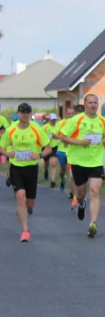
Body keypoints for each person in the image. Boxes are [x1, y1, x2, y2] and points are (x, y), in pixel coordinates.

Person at [59, 94, 105, 238]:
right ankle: (81, 205)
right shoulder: (76, 120)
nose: (93, 105)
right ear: (85, 104)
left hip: (96, 162)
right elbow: (63, 137)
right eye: (90, 102)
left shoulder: (102, 121)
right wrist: (80, 142)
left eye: (95, 102)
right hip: (79, 161)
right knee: (81, 194)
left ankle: (92, 224)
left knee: (94, 191)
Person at [1, 103, 52, 242]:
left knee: (30, 203)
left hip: (31, 168)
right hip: (16, 167)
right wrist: (7, 153)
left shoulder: (36, 129)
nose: (25, 114)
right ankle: (25, 231)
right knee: (20, 196)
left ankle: (26, 209)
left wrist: (40, 155)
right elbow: (1, 146)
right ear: (18, 113)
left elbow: (48, 148)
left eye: (27, 112)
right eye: (22, 112)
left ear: (30, 114)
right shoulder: (11, 130)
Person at [50, 112, 68, 192]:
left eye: (72, 113)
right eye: (69, 113)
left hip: (72, 151)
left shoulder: (77, 122)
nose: (70, 115)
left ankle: (73, 193)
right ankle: (62, 180)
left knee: (72, 174)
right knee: (62, 171)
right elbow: (53, 135)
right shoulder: (61, 123)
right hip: (60, 149)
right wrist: (63, 139)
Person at [42, 114, 60, 186]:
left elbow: (61, 135)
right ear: (49, 120)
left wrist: (57, 138)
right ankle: (46, 170)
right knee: (46, 163)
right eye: (52, 120)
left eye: (55, 120)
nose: (53, 121)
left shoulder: (58, 127)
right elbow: (41, 136)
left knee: (53, 163)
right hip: (46, 146)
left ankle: (52, 180)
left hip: (55, 146)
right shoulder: (45, 127)